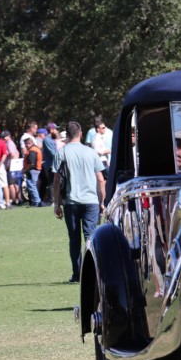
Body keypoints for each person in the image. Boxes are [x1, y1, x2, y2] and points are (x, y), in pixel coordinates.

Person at [52, 121, 107, 284]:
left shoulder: (61, 153)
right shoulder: (91, 153)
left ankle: (77, 274)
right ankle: (94, 272)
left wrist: (56, 203)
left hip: (71, 202)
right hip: (91, 201)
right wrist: (102, 201)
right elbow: (101, 180)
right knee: (91, 237)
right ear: (81, 133)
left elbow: (56, 180)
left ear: (67, 135)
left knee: (74, 239)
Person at [24, 130, 45, 207]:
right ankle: (36, 201)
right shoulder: (34, 149)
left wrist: (25, 169)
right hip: (35, 170)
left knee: (32, 186)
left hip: (32, 170)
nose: (25, 145)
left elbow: (31, 163)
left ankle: (37, 202)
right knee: (32, 186)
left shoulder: (32, 150)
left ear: (30, 143)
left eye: (26, 144)